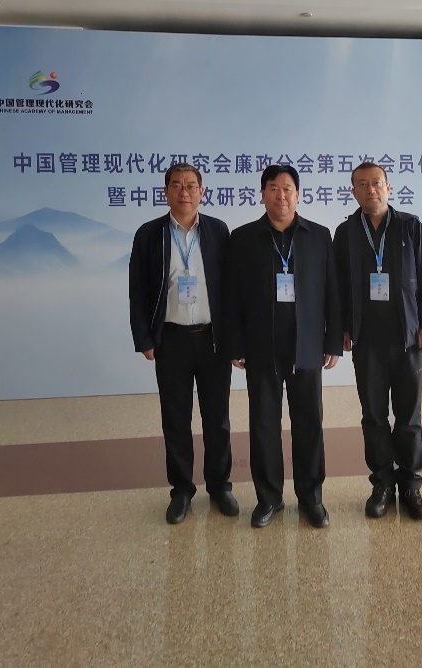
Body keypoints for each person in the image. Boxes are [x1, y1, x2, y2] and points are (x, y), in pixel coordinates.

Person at [227, 164, 341, 529]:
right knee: (263, 425)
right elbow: (232, 296)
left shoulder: (319, 236)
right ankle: (269, 499)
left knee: (309, 424)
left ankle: (311, 498)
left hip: (307, 346)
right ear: (262, 194)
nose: (281, 195)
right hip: (261, 347)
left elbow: (332, 291)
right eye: (274, 188)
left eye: (288, 188)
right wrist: (235, 342)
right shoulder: (243, 238)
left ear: (298, 194)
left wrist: (333, 340)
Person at [129, 163, 238, 524]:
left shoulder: (218, 231)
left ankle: (220, 486)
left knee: (217, 418)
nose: (184, 192)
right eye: (176, 185)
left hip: (212, 340)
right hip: (171, 339)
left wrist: (234, 339)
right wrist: (144, 337)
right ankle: (181, 490)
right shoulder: (149, 234)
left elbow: (230, 290)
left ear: (202, 192)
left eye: (191, 185)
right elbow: (137, 290)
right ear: (166, 192)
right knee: (175, 418)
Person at [333, 162, 422, 520]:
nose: (371, 190)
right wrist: (343, 327)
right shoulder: (346, 233)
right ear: (354, 192)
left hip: (407, 339)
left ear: (389, 187)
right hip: (367, 342)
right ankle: (381, 484)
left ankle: (411, 485)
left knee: (409, 416)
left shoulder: (410, 226)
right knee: (374, 416)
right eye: (362, 184)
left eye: (377, 183)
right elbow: (338, 286)